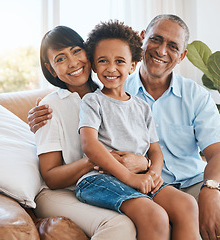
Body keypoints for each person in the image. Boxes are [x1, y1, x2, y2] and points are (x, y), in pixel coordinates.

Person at [29, 14, 220, 240]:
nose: (162, 51)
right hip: (132, 183)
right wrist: (37, 111)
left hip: (184, 182)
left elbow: (217, 153)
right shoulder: (108, 89)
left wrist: (211, 190)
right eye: (156, 39)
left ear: (182, 55)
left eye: (173, 46)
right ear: (143, 40)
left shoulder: (192, 96)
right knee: (153, 214)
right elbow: (78, 105)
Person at [76, 20, 199, 240]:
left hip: (139, 176)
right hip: (98, 179)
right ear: (94, 66)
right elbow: (89, 145)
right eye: (103, 61)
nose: (111, 68)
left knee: (187, 204)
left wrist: (153, 175)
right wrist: (130, 178)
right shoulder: (92, 101)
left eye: (120, 61)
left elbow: (155, 151)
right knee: (155, 216)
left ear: (133, 65)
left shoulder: (142, 106)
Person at [33, 25, 148, 240]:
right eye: (60, 59)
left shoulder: (111, 94)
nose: (73, 62)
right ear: (51, 69)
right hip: (61, 192)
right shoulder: (50, 107)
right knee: (119, 225)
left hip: (107, 185)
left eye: (76, 51)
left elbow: (140, 146)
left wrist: (144, 163)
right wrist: (95, 160)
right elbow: (51, 177)